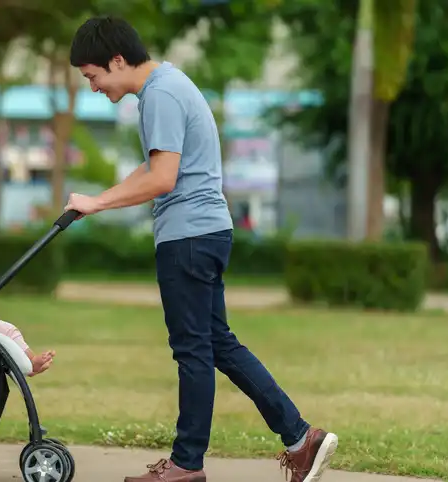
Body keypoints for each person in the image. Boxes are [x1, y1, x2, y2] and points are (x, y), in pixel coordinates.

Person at [64, 16, 338, 482]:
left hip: (187, 238)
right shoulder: (168, 86)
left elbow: (162, 179)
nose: (93, 88)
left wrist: (99, 201)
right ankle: (301, 438)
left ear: (116, 59)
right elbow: (152, 168)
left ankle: (187, 463)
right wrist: (95, 203)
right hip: (205, 232)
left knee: (192, 351)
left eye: (93, 76)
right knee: (218, 345)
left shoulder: (161, 95)